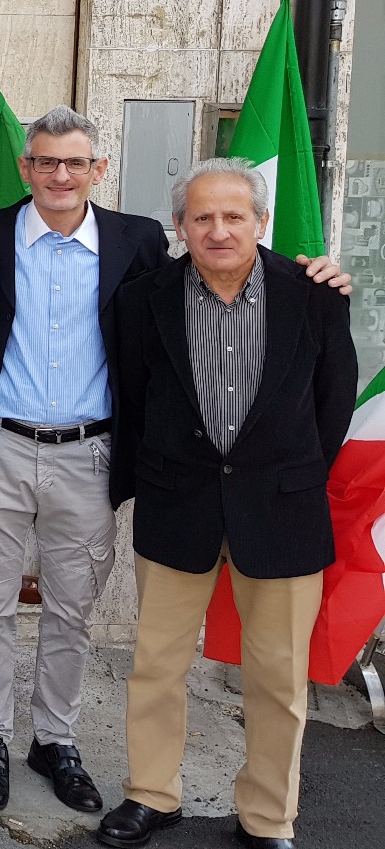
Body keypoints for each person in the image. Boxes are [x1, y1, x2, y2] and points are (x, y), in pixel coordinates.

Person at [0, 107, 349, 821]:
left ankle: (62, 743)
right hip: (21, 450)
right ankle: (0, 741)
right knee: (0, 604)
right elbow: (142, 378)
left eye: (76, 162)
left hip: (131, 462)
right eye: (46, 161)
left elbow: (328, 403)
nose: (61, 174)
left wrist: (288, 471)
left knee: (83, 613)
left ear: (99, 169)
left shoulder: (146, 245)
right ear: (25, 167)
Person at [98, 159, 356, 849]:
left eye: (234, 216)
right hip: (175, 506)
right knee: (156, 666)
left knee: (278, 679)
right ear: (179, 225)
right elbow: (133, 397)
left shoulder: (315, 296)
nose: (218, 230)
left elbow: (333, 402)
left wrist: (286, 472)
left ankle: (268, 818)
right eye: (202, 217)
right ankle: (151, 794)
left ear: (260, 221)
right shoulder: (142, 299)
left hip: (282, 510)